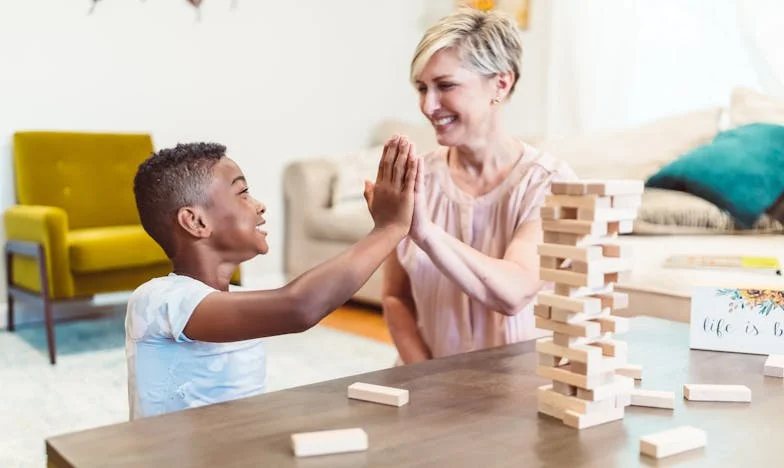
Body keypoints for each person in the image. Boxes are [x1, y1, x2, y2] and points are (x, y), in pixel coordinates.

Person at [126, 137, 419, 420]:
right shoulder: (157, 300)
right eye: (242, 193)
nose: (259, 205)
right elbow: (298, 307)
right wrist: (389, 229)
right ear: (196, 221)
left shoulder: (234, 298)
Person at [381, 8, 577, 365]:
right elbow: (395, 297)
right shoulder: (416, 179)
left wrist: (425, 233)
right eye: (422, 88)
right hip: (427, 385)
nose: (428, 105)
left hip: (519, 397)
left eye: (446, 86)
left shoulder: (549, 184)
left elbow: (514, 293)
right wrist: (426, 376)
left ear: (500, 83)